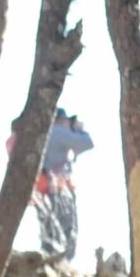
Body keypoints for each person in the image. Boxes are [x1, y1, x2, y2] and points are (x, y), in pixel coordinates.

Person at [35, 108, 94, 261]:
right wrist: (80, 129)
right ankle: (63, 263)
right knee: (67, 232)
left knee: (48, 233)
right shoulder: (58, 132)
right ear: (61, 120)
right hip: (61, 191)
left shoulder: (42, 134)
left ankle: (49, 262)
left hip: (42, 191)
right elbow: (87, 143)